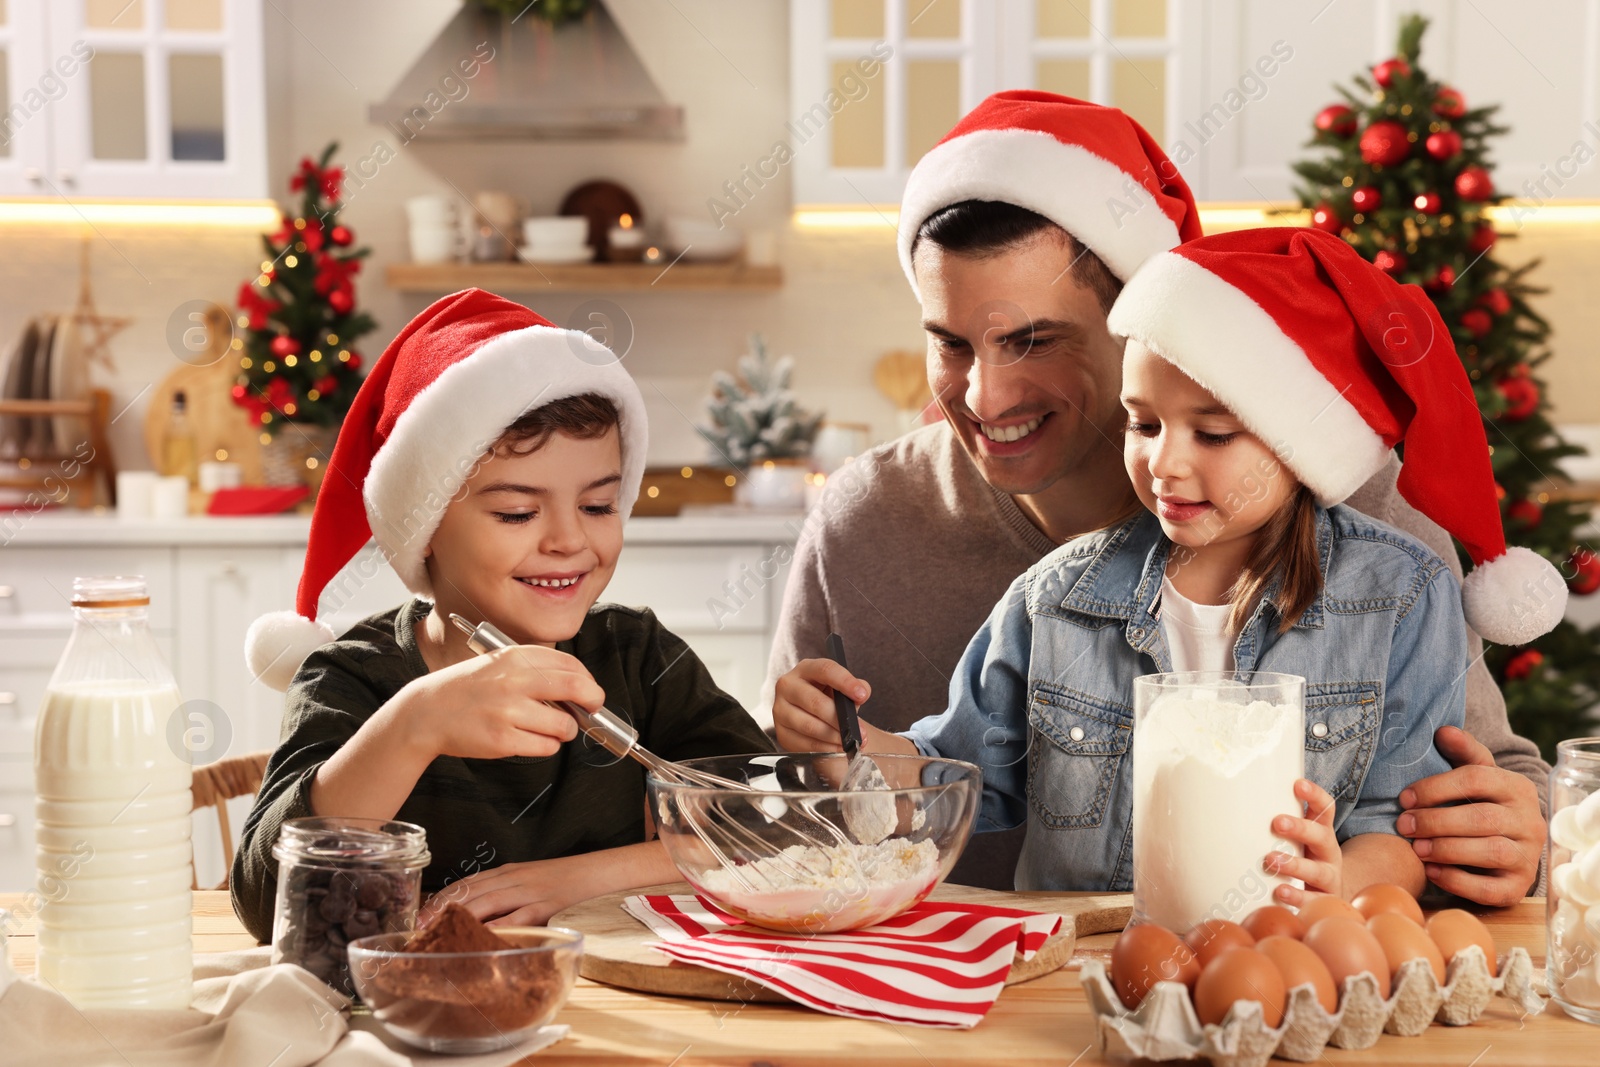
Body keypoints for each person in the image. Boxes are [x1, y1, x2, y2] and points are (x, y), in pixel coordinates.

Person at [767, 91, 1551, 904]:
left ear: (1142, 323)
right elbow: (800, 817)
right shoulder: (881, 527)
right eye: (951, 343)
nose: (986, 397)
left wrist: (1516, 832)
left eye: (1032, 341)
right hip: (1016, 998)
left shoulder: (1364, 518)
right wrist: (834, 747)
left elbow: (1484, 789)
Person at [231, 289, 772, 942]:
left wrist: (572, 880)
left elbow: (774, 827)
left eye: (599, 506)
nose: (569, 539)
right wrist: (413, 727)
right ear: (424, 526)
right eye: (518, 512)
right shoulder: (354, 680)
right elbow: (269, 903)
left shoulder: (640, 657)